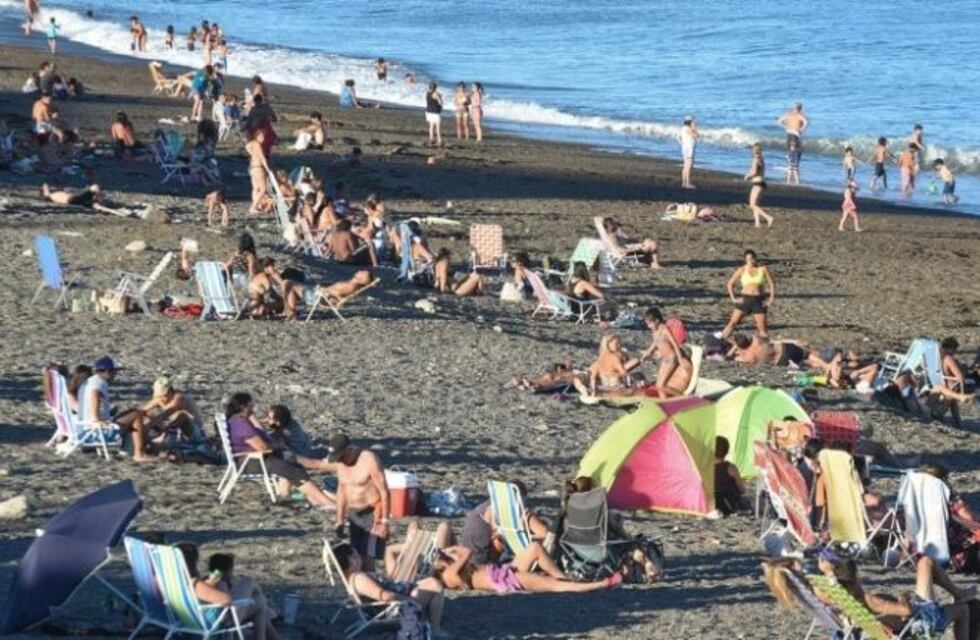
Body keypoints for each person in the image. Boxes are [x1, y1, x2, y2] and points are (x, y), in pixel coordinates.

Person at [816, 550, 972, 640]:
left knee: (925, 563)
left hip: (900, 626)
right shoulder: (868, 600)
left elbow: (826, 585)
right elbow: (907, 613)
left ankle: (959, 592)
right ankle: (960, 594)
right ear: (856, 576)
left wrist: (829, 571)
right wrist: (906, 599)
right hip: (916, 629)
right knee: (963, 609)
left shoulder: (839, 601)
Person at [224, 392, 335, 507]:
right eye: (251, 405)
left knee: (294, 465)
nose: (253, 407)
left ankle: (303, 496)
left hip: (252, 460)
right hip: (250, 463)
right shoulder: (241, 424)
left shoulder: (238, 421)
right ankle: (325, 501)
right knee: (292, 469)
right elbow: (262, 448)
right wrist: (276, 447)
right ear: (243, 407)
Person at [332, 543, 447, 636]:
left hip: (399, 596)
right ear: (351, 560)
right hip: (397, 607)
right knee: (436, 586)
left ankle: (430, 620)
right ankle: (435, 627)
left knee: (431, 582)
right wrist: (409, 599)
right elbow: (384, 596)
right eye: (355, 555)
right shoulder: (358, 578)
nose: (359, 558)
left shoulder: (355, 577)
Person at [176, 543, 280, 640]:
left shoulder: (173, 583)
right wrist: (216, 583)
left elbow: (202, 595)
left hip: (193, 622)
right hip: (219, 625)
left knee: (259, 601)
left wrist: (209, 583)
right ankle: (270, 617)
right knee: (249, 582)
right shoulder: (193, 584)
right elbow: (226, 600)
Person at [436, 542, 621, 595]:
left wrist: (448, 554)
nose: (446, 558)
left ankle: (564, 576)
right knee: (552, 585)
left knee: (535, 548)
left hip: (503, 571)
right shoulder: (449, 575)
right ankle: (602, 584)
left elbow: (464, 557)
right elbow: (466, 552)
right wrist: (451, 550)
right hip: (504, 580)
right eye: (443, 559)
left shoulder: (450, 571)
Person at [329, 433, 390, 572]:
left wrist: (385, 521)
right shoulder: (341, 463)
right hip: (353, 513)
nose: (341, 461)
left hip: (373, 511)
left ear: (350, 449)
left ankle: (372, 586)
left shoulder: (368, 460)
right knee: (356, 556)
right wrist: (340, 519)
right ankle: (364, 587)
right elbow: (342, 490)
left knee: (368, 555)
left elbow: (384, 491)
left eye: (342, 457)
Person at [78, 357, 153, 462]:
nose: (115, 374)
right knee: (137, 414)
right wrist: (96, 419)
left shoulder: (90, 381)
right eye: (114, 371)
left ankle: (128, 450)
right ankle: (138, 454)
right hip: (95, 432)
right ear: (107, 371)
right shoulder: (98, 383)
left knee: (133, 412)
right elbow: (94, 395)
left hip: (83, 429)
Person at [460, 481, 551, 565]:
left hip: (468, 560)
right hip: (484, 564)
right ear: (520, 498)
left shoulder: (487, 508)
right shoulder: (516, 512)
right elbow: (547, 534)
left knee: (499, 536)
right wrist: (531, 521)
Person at [719, 249, 774, 338]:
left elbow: (771, 283)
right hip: (746, 299)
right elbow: (730, 284)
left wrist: (771, 299)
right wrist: (733, 298)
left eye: (752, 258)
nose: (750, 261)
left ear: (755, 258)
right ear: (745, 260)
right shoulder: (742, 270)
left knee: (762, 329)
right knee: (732, 323)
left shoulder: (762, 269)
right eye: (748, 259)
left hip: (758, 300)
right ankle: (720, 342)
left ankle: (766, 349)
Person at [637, 307, 691, 396]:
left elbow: (674, 344)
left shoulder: (664, 329)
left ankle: (681, 397)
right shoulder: (655, 331)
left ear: (657, 320)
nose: (648, 326)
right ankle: (661, 401)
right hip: (665, 360)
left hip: (671, 359)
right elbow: (655, 343)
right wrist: (646, 354)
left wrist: (680, 358)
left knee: (661, 386)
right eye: (647, 324)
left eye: (650, 324)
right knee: (658, 385)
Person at [138, 376, 205, 442]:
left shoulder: (179, 397)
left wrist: (149, 426)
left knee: (181, 415)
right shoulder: (160, 398)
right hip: (173, 428)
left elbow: (166, 413)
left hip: (194, 430)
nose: (162, 399)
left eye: (164, 396)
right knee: (147, 416)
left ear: (170, 392)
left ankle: (165, 437)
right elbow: (142, 410)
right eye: (159, 396)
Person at [715, 437, 747, 516]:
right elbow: (742, 490)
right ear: (727, 451)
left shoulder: (705, 468)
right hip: (729, 504)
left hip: (711, 504)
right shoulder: (731, 468)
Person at [745, 143, 773, 227]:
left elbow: (754, 172)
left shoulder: (756, 159)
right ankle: (757, 223)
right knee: (756, 204)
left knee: (752, 205)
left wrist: (747, 177)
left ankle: (768, 218)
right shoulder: (761, 159)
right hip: (762, 183)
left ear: (753, 151)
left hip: (757, 183)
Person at [245, 129, 271, 215]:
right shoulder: (257, 144)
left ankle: (257, 205)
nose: (263, 138)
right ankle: (254, 206)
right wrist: (267, 168)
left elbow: (247, 147)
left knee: (256, 188)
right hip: (258, 167)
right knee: (263, 189)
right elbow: (262, 157)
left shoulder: (251, 143)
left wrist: (252, 153)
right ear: (257, 136)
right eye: (261, 136)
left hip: (252, 167)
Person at [679, 116, 699, 188]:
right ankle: (687, 183)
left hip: (684, 148)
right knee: (688, 166)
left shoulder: (682, 128)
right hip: (689, 149)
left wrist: (682, 144)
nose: (694, 122)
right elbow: (696, 135)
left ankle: (684, 182)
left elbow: (678, 138)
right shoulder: (688, 128)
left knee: (685, 166)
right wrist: (695, 128)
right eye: (693, 122)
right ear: (690, 122)